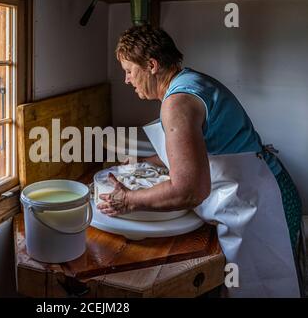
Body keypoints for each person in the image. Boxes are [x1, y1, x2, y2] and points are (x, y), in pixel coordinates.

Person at [97, 25, 304, 297]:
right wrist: (141, 161)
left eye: (128, 70)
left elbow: (190, 190)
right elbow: (193, 152)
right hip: (264, 190)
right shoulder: (189, 82)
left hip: (261, 207)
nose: (126, 79)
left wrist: (129, 200)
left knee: (266, 286)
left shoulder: (177, 102)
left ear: (151, 65)